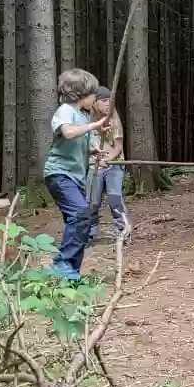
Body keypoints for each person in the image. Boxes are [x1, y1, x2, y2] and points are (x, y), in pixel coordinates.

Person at [43, 68, 108, 281]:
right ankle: (62, 264)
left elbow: (77, 141)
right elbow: (68, 133)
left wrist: (93, 150)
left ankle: (71, 274)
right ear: (81, 95)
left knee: (82, 221)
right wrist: (94, 125)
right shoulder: (65, 111)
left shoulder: (81, 115)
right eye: (93, 96)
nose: (94, 100)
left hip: (75, 177)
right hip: (60, 174)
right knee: (81, 214)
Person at [86, 86, 132, 244]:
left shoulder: (115, 121)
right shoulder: (88, 123)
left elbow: (118, 147)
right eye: (104, 101)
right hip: (94, 166)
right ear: (95, 103)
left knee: (114, 198)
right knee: (92, 201)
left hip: (114, 164)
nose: (108, 104)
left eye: (110, 101)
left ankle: (123, 231)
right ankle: (89, 234)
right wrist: (94, 155)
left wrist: (108, 160)